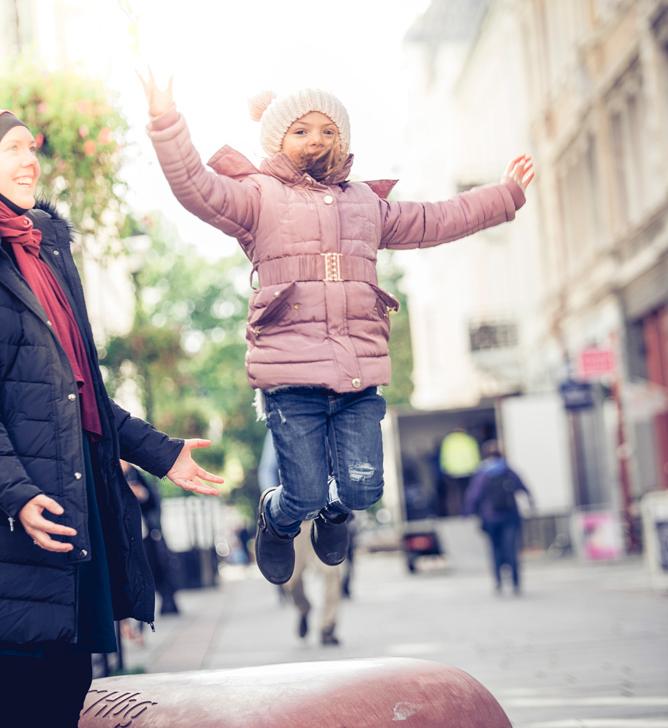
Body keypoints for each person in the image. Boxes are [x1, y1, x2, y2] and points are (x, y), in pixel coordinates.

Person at [141, 75, 535, 586]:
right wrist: (166, 122)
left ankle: (335, 513)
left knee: (362, 492)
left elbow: (437, 219)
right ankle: (276, 519)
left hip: (356, 375)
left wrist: (506, 195)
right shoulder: (257, 197)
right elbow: (196, 187)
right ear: (276, 139)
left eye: (328, 131)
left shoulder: (364, 205)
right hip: (291, 379)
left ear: (343, 141)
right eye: (301, 131)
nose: (316, 141)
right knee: (299, 493)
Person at [0, 109, 224, 727]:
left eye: (32, 149)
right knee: (22, 680)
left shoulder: (44, 252)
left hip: (72, 501)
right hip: (20, 515)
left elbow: (82, 393)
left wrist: (161, 452)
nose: (29, 161)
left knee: (67, 674)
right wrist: (15, 494)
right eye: (13, 148)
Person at [464, 440, 534, 594]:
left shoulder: (482, 473)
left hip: (490, 518)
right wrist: (531, 504)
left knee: (495, 549)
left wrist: (469, 513)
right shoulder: (508, 470)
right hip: (510, 516)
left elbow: (474, 495)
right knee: (511, 549)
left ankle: (498, 582)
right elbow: (523, 487)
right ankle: (516, 583)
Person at [121, 460, 180, 615]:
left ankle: (164, 603)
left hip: (144, 533)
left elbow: (152, 501)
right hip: (123, 534)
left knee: (155, 568)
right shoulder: (109, 471)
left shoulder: (135, 474)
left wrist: (141, 494)